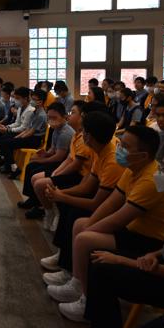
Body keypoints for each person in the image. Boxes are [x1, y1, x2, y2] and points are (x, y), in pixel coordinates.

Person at [49, 126, 164, 322]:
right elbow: (110, 204)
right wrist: (89, 224)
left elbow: (119, 219)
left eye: (125, 146)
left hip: (149, 240)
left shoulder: (151, 180)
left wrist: (89, 230)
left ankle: (87, 302)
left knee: (84, 238)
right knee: (81, 223)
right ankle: (76, 280)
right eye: (120, 143)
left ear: (143, 155)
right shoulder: (133, 169)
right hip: (134, 230)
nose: (119, 149)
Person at [83, 144, 164, 328]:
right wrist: (153, 254)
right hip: (160, 260)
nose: (159, 174)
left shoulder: (149, 183)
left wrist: (120, 260)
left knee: (103, 269)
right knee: (99, 262)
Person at [40, 108, 125, 285]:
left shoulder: (112, 159)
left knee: (74, 213)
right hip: (103, 196)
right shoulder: (100, 149)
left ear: (89, 136)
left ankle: (69, 270)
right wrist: (60, 193)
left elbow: (96, 203)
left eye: (83, 130)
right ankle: (63, 256)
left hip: (110, 204)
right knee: (67, 206)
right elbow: (87, 186)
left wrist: (62, 197)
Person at [24, 101, 94, 228]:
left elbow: (66, 160)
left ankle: (50, 210)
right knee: (33, 170)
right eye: (49, 117)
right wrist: (46, 156)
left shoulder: (71, 134)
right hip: (68, 168)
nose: (69, 115)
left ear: (83, 117)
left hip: (75, 172)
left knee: (38, 179)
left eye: (73, 113)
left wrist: (56, 174)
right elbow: (68, 157)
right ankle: (41, 205)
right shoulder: (73, 134)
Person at [19, 102, 75, 220]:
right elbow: (53, 150)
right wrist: (45, 154)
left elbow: (59, 157)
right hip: (58, 160)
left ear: (64, 116)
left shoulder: (65, 133)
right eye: (49, 117)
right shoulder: (56, 129)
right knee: (31, 166)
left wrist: (42, 160)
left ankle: (40, 206)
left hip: (63, 164)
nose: (51, 120)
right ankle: (33, 199)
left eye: (54, 117)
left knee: (35, 169)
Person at [0, 89, 48, 178]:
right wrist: (18, 136)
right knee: (6, 140)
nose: (32, 101)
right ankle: (11, 167)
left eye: (34, 99)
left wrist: (18, 137)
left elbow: (31, 132)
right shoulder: (35, 112)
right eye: (32, 98)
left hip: (34, 140)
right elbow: (27, 129)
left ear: (41, 101)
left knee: (7, 143)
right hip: (29, 137)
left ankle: (14, 169)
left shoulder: (41, 115)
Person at [0, 86, 33, 161]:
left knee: (5, 139)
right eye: (15, 98)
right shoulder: (21, 108)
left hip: (23, 133)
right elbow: (17, 123)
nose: (15, 100)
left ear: (25, 98)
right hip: (18, 130)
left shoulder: (30, 110)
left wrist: (8, 129)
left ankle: (8, 162)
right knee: (0, 133)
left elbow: (23, 128)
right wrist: (5, 127)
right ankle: (0, 156)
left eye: (18, 98)